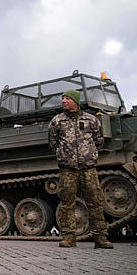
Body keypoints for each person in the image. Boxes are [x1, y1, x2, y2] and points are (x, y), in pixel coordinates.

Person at [48, 90, 114, 249]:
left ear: (76, 101)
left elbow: (99, 140)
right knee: (67, 203)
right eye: (62, 98)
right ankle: (69, 237)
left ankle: (100, 237)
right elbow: (52, 142)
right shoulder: (57, 121)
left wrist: (88, 155)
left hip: (88, 168)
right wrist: (63, 154)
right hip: (67, 169)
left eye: (67, 98)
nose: (64, 101)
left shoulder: (91, 120)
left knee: (95, 202)